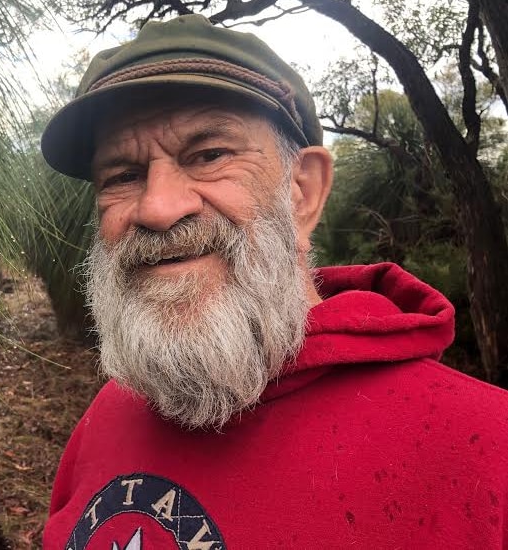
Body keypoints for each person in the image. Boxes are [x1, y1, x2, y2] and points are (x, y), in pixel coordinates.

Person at [39, 14, 508, 549]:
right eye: (122, 176)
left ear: (303, 192)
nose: (158, 207)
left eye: (210, 155)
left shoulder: (487, 455)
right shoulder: (109, 413)